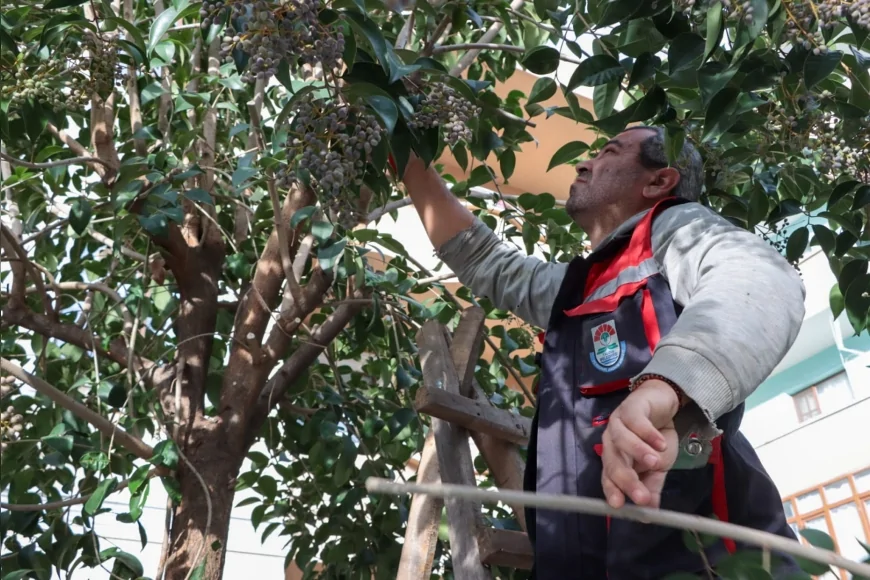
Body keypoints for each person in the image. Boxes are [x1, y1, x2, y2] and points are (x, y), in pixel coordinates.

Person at [397, 125, 807, 579]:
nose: (584, 163)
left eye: (610, 151)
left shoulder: (674, 229)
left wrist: (667, 384)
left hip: (706, 558)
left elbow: (758, 280)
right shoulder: (580, 285)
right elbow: (486, 262)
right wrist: (411, 163)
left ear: (657, 182)